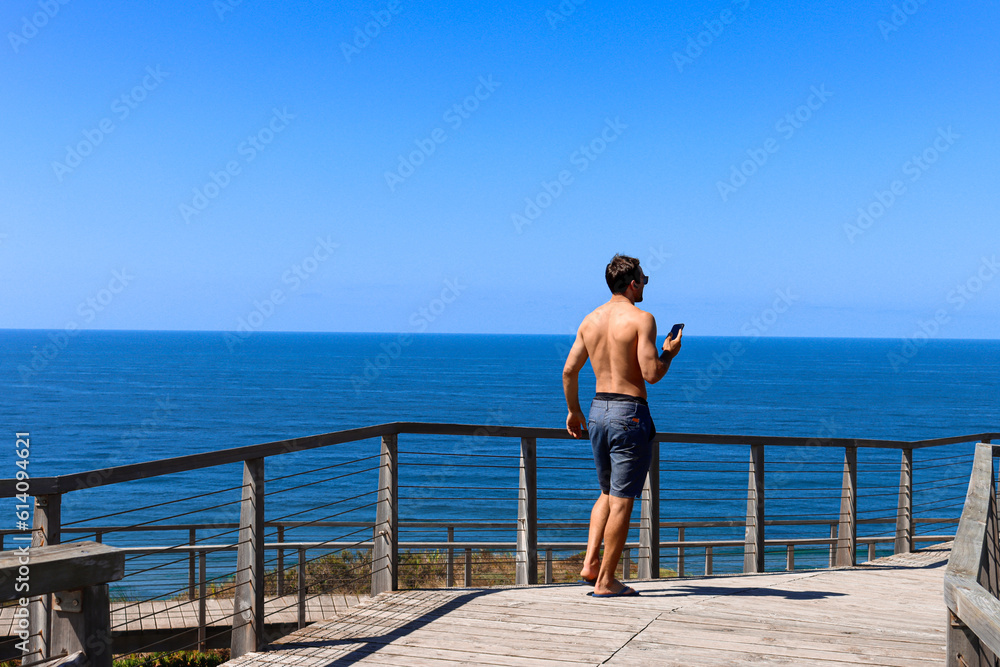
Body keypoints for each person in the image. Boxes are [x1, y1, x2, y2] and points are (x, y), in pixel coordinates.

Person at [562, 254, 682, 597]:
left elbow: (570, 371)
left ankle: (590, 563)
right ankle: (605, 581)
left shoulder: (590, 320)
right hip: (629, 412)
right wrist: (669, 353)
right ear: (633, 283)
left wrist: (574, 411)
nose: (645, 284)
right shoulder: (642, 319)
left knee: (606, 493)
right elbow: (651, 374)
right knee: (624, 499)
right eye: (644, 279)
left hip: (597, 409)